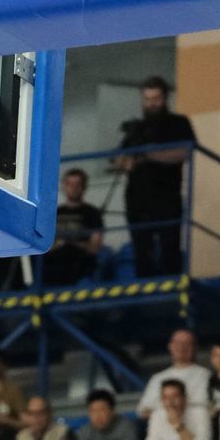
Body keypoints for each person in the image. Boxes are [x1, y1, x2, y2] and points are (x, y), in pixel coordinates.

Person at [117, 77, 194, 276]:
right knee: (141, 250)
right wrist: (131, 160)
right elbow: (120, 161)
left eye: (156, 98)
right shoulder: (137, 128)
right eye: (148, 99)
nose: (152, 103)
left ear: (165, 98)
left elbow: (185, 152)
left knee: (170, 247)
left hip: (167, 195)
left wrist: (150, 154)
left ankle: (171, 290)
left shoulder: (178, 123)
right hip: (138, 198)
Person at [43, 167, 105, 287]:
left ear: (84, 187)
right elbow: (44, 245)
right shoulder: (54, 213)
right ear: (63, 186)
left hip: (80, 263)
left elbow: (94, 248)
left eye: (77, 184)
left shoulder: (92, 213)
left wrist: (68, 243)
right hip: (54, 265)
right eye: (69, 184)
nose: (73, 188)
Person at [137, 329, 211, 418]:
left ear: (194, 348)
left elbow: (209, 408)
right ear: (170, 346)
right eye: (178, 343)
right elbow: (143, 410)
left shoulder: (206, 376)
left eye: (187, 343)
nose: (182, 347)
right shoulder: (157, 378)